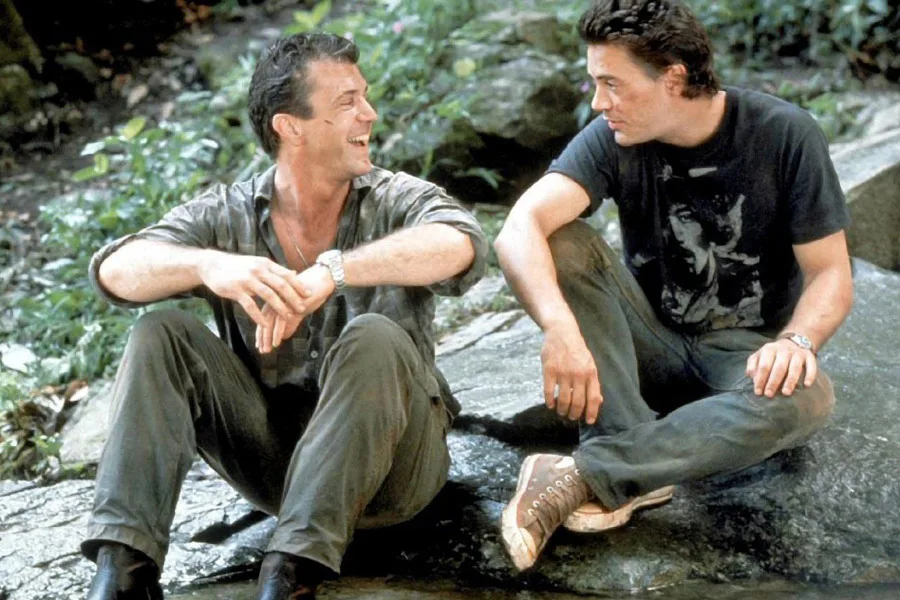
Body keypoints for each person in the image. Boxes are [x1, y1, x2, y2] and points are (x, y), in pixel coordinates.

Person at [81, 32, 487, 599]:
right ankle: (124, 573)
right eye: (348, 101)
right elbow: (114, 271)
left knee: (373, 335)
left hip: (396, 475)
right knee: (160, 333)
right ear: (290, 127)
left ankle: (288, 578)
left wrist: (334, 271)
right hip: (278, 470)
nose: (369, 113)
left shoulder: (394, 197)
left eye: (364, 97)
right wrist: (208, 264)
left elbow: (463, 245)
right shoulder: (227, 213)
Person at [494, 0, 853, 571]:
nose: (598, 102)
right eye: (595, 82)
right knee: (560, 239)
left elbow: (831, 272)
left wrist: (797, 341)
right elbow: (519, 227)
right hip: (646, 346)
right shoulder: (612, 137)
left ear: (673, 77)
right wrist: (559, 328)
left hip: (743, 360)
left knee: (807, 397)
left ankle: (591, 472)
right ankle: (627, 449)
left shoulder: (786, 134)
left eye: (612, 84)